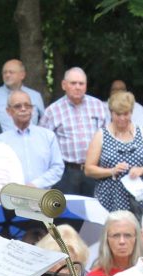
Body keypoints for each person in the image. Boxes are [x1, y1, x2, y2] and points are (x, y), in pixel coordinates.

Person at [84, 91, 143, 214]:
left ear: (131, 112)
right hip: (110, 197)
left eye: (126, 114)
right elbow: (89, 169)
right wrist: (111, 171)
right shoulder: (101, 135)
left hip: (140, 197)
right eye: (117, 114)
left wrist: (142, 170)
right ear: (111, 113)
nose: (122, 118)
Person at [39, 67, 109, 196]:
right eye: (73, 83)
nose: (77, 87)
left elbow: (109, 137)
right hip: (66, 173)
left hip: (95, 171)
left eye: (81, 83)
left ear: (86, 86)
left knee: (95, 213)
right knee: (66, 213)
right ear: (64, 85)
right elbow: (44, 145)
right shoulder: (52, 111)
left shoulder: (98, 106)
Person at [0, 90, 64, 189]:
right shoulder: (1, 141)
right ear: (9, 111)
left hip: (43, 197)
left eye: (27, 105)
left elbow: (57, 168)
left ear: (32, 109)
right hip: (13, 197)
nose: (23, 109)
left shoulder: (48, 137)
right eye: (18, 106)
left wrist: (35, 184)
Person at [0, 59, 46, 133]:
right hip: (1, 142)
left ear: (22, 75)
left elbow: (44, 123)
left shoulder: (35, 96)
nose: (7, 75)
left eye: (11, 72)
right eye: (4, 72)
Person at [87, 209, 143, 276]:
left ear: (136, 237)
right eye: (116, 235)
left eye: (128, 235)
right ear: (106, 239)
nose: (122, 241)